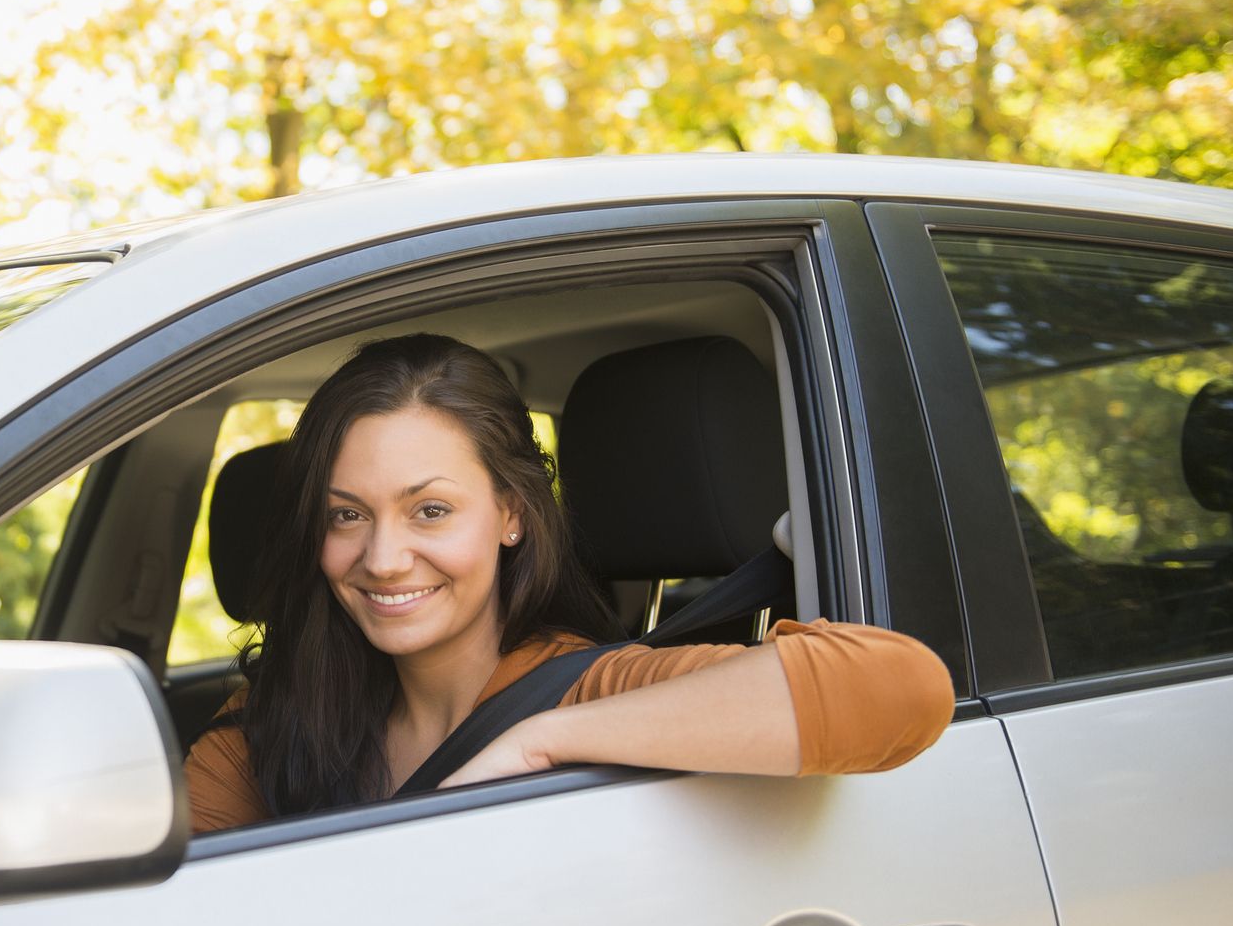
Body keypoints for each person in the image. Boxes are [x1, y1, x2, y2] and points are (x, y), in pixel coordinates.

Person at [184, 333, 954, 834]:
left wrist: (542, 740)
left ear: (511, 515)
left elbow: (904, 688)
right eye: (347, 516)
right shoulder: (276, 713)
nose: (383, 558)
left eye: (430, 510)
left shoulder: (591, 691)